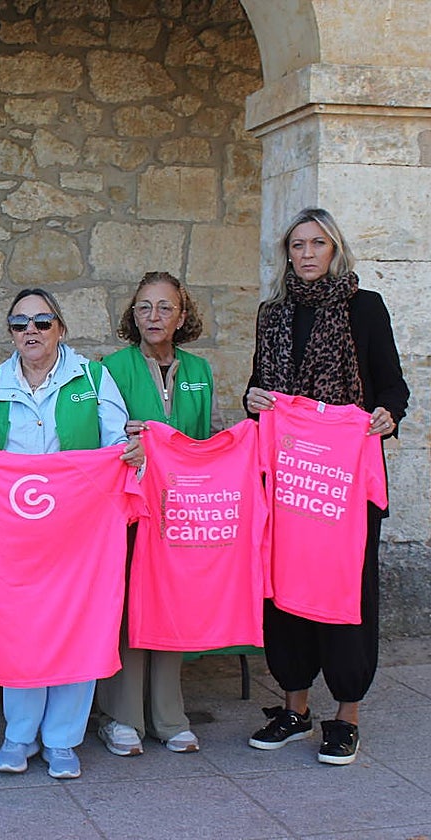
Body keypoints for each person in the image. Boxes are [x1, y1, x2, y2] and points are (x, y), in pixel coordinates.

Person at [0, 287, 140, 780]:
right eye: (19, 323)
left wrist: (132, 454)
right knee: (20, 630)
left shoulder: (93, 378)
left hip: (80, 532)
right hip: (15, 534)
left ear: (60, 327)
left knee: (78, 626)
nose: (30, 331)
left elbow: (116, 444)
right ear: (10, 332)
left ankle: (63, 740)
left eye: (41, 322)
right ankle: (18, 734)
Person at [243, 207, 408, 765]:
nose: (307, 253)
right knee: (284, 589)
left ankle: (346, 717)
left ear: (335, 250)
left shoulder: (365, 308)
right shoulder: (273, 314)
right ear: (287, 253)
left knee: (347, 592)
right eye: (297, 244)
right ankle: (294, 708)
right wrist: (255, 399)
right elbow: (257, 386)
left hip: (346, 477)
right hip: (288, 479)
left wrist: (385, 414)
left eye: (318, 243)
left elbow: (392, 386)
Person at [95, 271, 215, 758]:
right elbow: (102, 438)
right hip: (127, 506)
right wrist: (127, 439)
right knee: (126, 606)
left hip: (181, 507)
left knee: (171, 603)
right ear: (132, 314)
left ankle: (169, 716)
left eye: (165, 308)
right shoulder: (110, 368)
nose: (154, 317)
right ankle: (119, 716)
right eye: (145, 307)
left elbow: (205, 442)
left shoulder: (200, 371)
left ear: (181, 316)